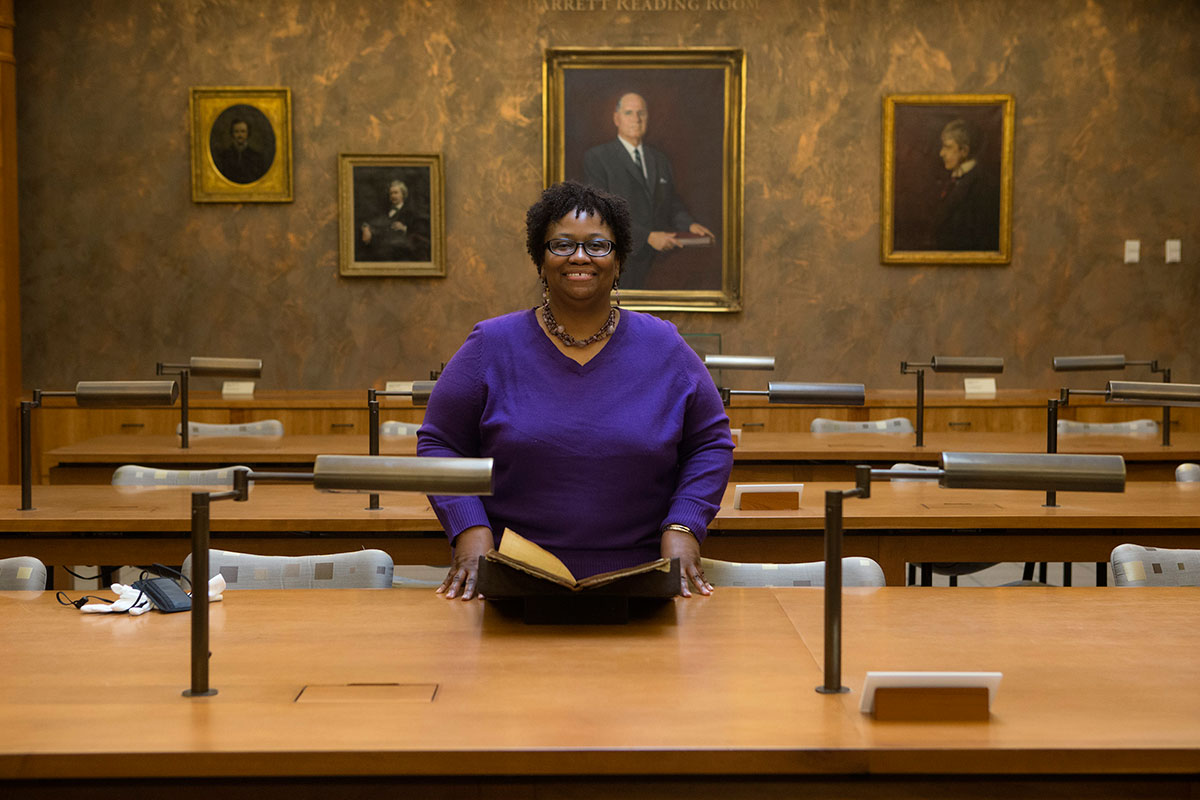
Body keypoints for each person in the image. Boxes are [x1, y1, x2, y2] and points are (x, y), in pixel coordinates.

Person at [418, 180, 734, 600]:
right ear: (540, 259)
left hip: (642, 584)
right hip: (513, 580)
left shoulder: (665, 347)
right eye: (562, 244)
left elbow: (711, 443)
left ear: (618, 260)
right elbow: (440, 442)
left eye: (598, 245)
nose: (580, 257)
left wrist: (684, 526)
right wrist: (469, 529)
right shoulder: (491, 345)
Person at [583, 92, 714, 289]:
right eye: (629, 113)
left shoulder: (659, 160)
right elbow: (602, 213)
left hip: (661, 263)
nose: (636, 119)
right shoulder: (598, 158)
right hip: (622, 262)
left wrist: (689, 225)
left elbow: (671, 203)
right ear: (616, 118)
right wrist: (647, 237)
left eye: (641, 113)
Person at [932, 119, 1000, 251]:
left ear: (964, 151)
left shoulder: (983, 185)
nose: (941, 153)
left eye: (948, 147)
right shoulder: (954, 179)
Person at [359, 179, 430, 262]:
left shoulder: (411, 212)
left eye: (396, 193)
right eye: (391, 193)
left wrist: (404, 228)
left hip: (402, 256)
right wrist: (365, 228)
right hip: (381, 254)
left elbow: (422, 234)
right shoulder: (384, 211)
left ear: (403, 194)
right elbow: (371, 222)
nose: (393, 196)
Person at [212, 118, 269, 184]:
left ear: (248, 133)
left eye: (243, 131)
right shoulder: (223, 156)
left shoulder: (257, 157)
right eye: (236, 131)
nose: (240, 135)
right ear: (232, 133)